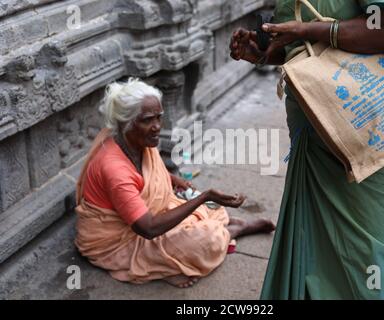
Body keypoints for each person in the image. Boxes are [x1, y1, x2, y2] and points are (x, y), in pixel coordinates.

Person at [230, 0, 384, 299]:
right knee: (312, 249)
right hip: (318, 131)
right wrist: (266, 54)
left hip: (372, 137)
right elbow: (309, 51)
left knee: (363, 257)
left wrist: (308, 29)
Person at [74, 78, 275, 288]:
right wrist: (204, 196)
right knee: (204, 240)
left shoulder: (136, 140)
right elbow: (149, 229)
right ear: (126, 122)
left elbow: (148, 172)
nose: (157, 127)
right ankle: (234, 231)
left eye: (159, 118)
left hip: (143, 219)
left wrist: (173, 179)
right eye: (148, 120)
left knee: (212, 211)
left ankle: (222, 228)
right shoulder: (114, 168)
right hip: (118, 242)